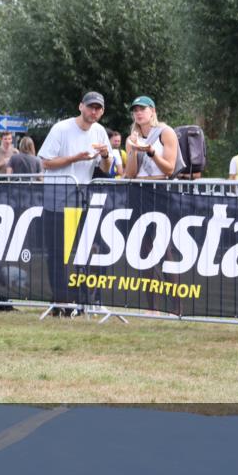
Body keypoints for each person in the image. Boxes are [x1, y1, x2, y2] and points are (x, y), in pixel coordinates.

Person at [38, 91, 112, 313]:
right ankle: (60, 301)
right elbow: (46, 163)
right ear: (81, 107)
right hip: (58, 196)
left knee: (94, 248)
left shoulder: (100, 132)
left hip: (83, 197)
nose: (94, 111)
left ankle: (85, 298)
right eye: (90, 107)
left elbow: (106, 169)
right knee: (59, 252)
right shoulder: (61, 128)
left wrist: (107, 156)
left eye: (98, 108)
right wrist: (75, 158)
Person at [123, 96, 184, 180]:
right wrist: (133, 149)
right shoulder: (131, 139)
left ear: (152, 111)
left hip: (160, 184)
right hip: (137, 186)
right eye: (135, 110)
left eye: (142, 109)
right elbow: (130, 175)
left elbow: (169, 170)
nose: (138, 113)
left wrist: (152, 153)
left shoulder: (166, 132)